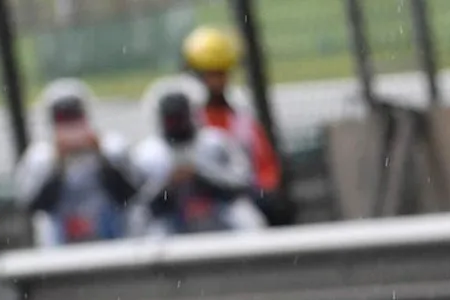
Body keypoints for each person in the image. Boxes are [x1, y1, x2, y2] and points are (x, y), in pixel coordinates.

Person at [133, 78, 267, 236]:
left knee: (245, 215)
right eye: (171, 120)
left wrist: (201, 176)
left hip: (218, 212)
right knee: (148, 227)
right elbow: (140, 203)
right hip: (172, 222)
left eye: (180, 118)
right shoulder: (147, 154)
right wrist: (169, 185)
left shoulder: (215, 142)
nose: (176, 125)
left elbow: (243, 181)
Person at [16, 80, 142, 248]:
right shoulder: (40, 157)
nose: (70, 126)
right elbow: (36, 206)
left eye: (74, 117)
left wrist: (101, 158)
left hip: (114, 240)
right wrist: (58, 166)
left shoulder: (111, 147)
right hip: (61, 245)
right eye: (63, 118)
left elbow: (130, 195)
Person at [179, 24, 283, 206]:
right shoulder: (182, 121)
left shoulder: (242, 121)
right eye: (212, 74)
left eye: (223, 73)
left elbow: (267, 170)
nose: (219, 81)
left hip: (238, 202)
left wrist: (260, 192)